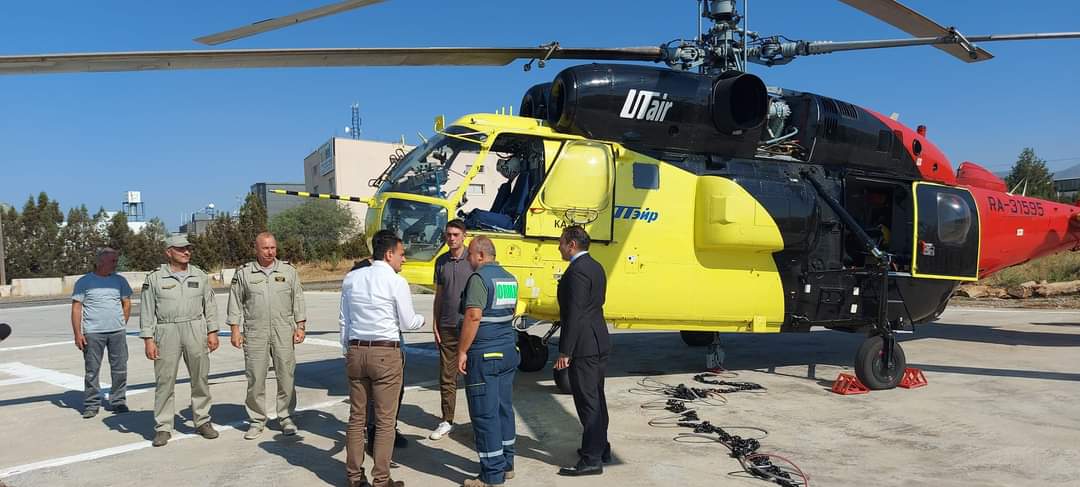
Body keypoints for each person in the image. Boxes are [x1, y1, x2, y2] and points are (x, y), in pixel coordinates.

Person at [340, 230, 424, 487]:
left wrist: (347, 350)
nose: (404, 259)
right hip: (385, 352)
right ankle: (381, 479)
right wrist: (422, 320)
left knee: (357, 418)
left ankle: (354, 478)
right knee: (385, 421)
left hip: (356, 350)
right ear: (389, 254)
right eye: (401, 254)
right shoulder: (396, 281)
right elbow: (408, 322)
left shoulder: (351, 278)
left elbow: (344, 320)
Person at [140, 235, 220, 447]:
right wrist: (148, 339)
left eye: (188, 248)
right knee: (165, 381)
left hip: (195, 328)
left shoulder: (199, 275)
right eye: (180, 249)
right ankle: (163, 427)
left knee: (200, 378)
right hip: (167, 330)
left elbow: (210, 305)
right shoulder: (155, 278)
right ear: (168, 252)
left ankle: (202, 421)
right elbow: (147, 311)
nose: (186, 252)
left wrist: (212, 331)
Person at [227, 232, 307, 440]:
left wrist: (300, 326)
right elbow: (235, 302)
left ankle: (286, 417)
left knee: (286, 375)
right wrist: (235, 329)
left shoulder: (288, 271)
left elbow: (298, 299)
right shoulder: (244, 273)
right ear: (256, 249)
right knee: (255, 377)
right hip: (255, 332)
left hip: (283, 330)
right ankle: (256, 420)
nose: (270, 252)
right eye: (265, 248)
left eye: (273, 247)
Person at [457, 236, 519, 487]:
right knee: (504, 408)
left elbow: (473, 316)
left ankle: (491, 475)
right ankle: (507, 463)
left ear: (481, 255)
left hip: (485, 354)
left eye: (470, 254)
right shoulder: (509, 278)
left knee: (485, 413)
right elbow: (510, 312)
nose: (468, 259)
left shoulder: (479, 278)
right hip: (507, 351)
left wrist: (462, 351)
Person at [554, 226, 612, 477]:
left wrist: (565, 351)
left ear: (572, 245)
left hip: (584, 345)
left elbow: (575, 313)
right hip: (598, 340)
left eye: (561, 242)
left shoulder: (577, 271)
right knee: (596, 398)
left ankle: (591, 459)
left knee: (588, 402)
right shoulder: (596, 266)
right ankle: (600, 447)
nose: (559, 247)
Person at [71, 248, 133, 419]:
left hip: (117, 332)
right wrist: (78, 334)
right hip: (93, 333)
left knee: (120, 368)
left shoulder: (120, 280)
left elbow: (127, 303)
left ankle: (118, 401)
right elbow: (76, 308)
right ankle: (91, 404)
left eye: (116, 260)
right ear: (100, 262)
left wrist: (121, 323)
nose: (115, 264)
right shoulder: (84, 282)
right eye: (112, 261)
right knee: (92, 370)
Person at [429, 219, 471, 441]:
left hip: (469, 327)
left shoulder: (473, 259)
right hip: (446, 326)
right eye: (448, 234)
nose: (451, 238)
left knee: (474, 375)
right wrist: (435, 322)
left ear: (464, 235)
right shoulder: (441, 261)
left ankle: (478, 421)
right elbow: (439, 295)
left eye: (455, 234)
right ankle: (447, 420)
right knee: (447, 377)